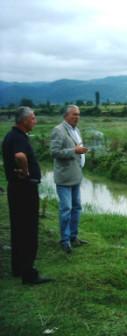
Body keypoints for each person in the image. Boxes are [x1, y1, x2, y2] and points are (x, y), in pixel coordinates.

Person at [2, 106, 53, 284]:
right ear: (24, 121)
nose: (35, 121)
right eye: (33, 118)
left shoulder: (10, 136)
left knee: (18, 228)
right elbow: (20, 156)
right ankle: (29, 274)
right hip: (25, 189)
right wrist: (26, 172)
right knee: (29, 230)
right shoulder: (19, 138)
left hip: (15, 189)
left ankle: (18, 268)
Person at [50, 105, 89, 253]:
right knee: (66, 209)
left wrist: (80, 151)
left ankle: (74, 236)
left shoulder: (76, 130)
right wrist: (74, 150)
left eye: (78, 114)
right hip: (65, 177)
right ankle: (64, 240)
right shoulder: (58, 130)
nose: (77, 117)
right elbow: (54, 152)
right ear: (66, 115)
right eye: (74, 115)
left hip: (76, 176)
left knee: (77, 207)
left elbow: (77, 149)